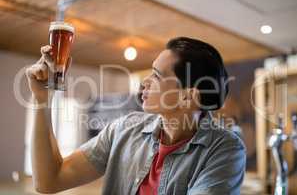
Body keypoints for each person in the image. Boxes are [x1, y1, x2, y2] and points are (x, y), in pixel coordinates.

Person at [26, 37, 246, 195]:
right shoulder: (124, 129)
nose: (144, 82)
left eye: (157, 76)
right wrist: (41, 100)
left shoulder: (225, 150)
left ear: (187, 97)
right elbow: (49, 180)